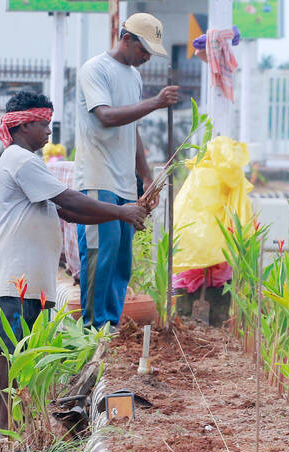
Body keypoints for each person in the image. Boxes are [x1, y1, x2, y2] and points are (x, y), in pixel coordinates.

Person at [0, 91, 148, 434]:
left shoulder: (24, 161)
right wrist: (121, 211)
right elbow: (69, 197)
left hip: (24, 277)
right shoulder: (22, 160)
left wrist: (120, 216)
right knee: (7, 354)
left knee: (10, 353)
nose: (48, 132)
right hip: (15, 276)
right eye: (44, 124)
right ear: (24, 124)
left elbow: (69, 211)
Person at [74, 13, 178, 330]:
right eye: (144, 49)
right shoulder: (95, 69)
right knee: (99, 256)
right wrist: (155, 103)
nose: (147, 57)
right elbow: (105, 116)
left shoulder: (133, 77)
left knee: (120, 260)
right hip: (96, 177)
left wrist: (146, 177)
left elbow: (132, 130)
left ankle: (111, 325)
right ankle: (93, 329)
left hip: (124, 184)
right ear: (126, 38)